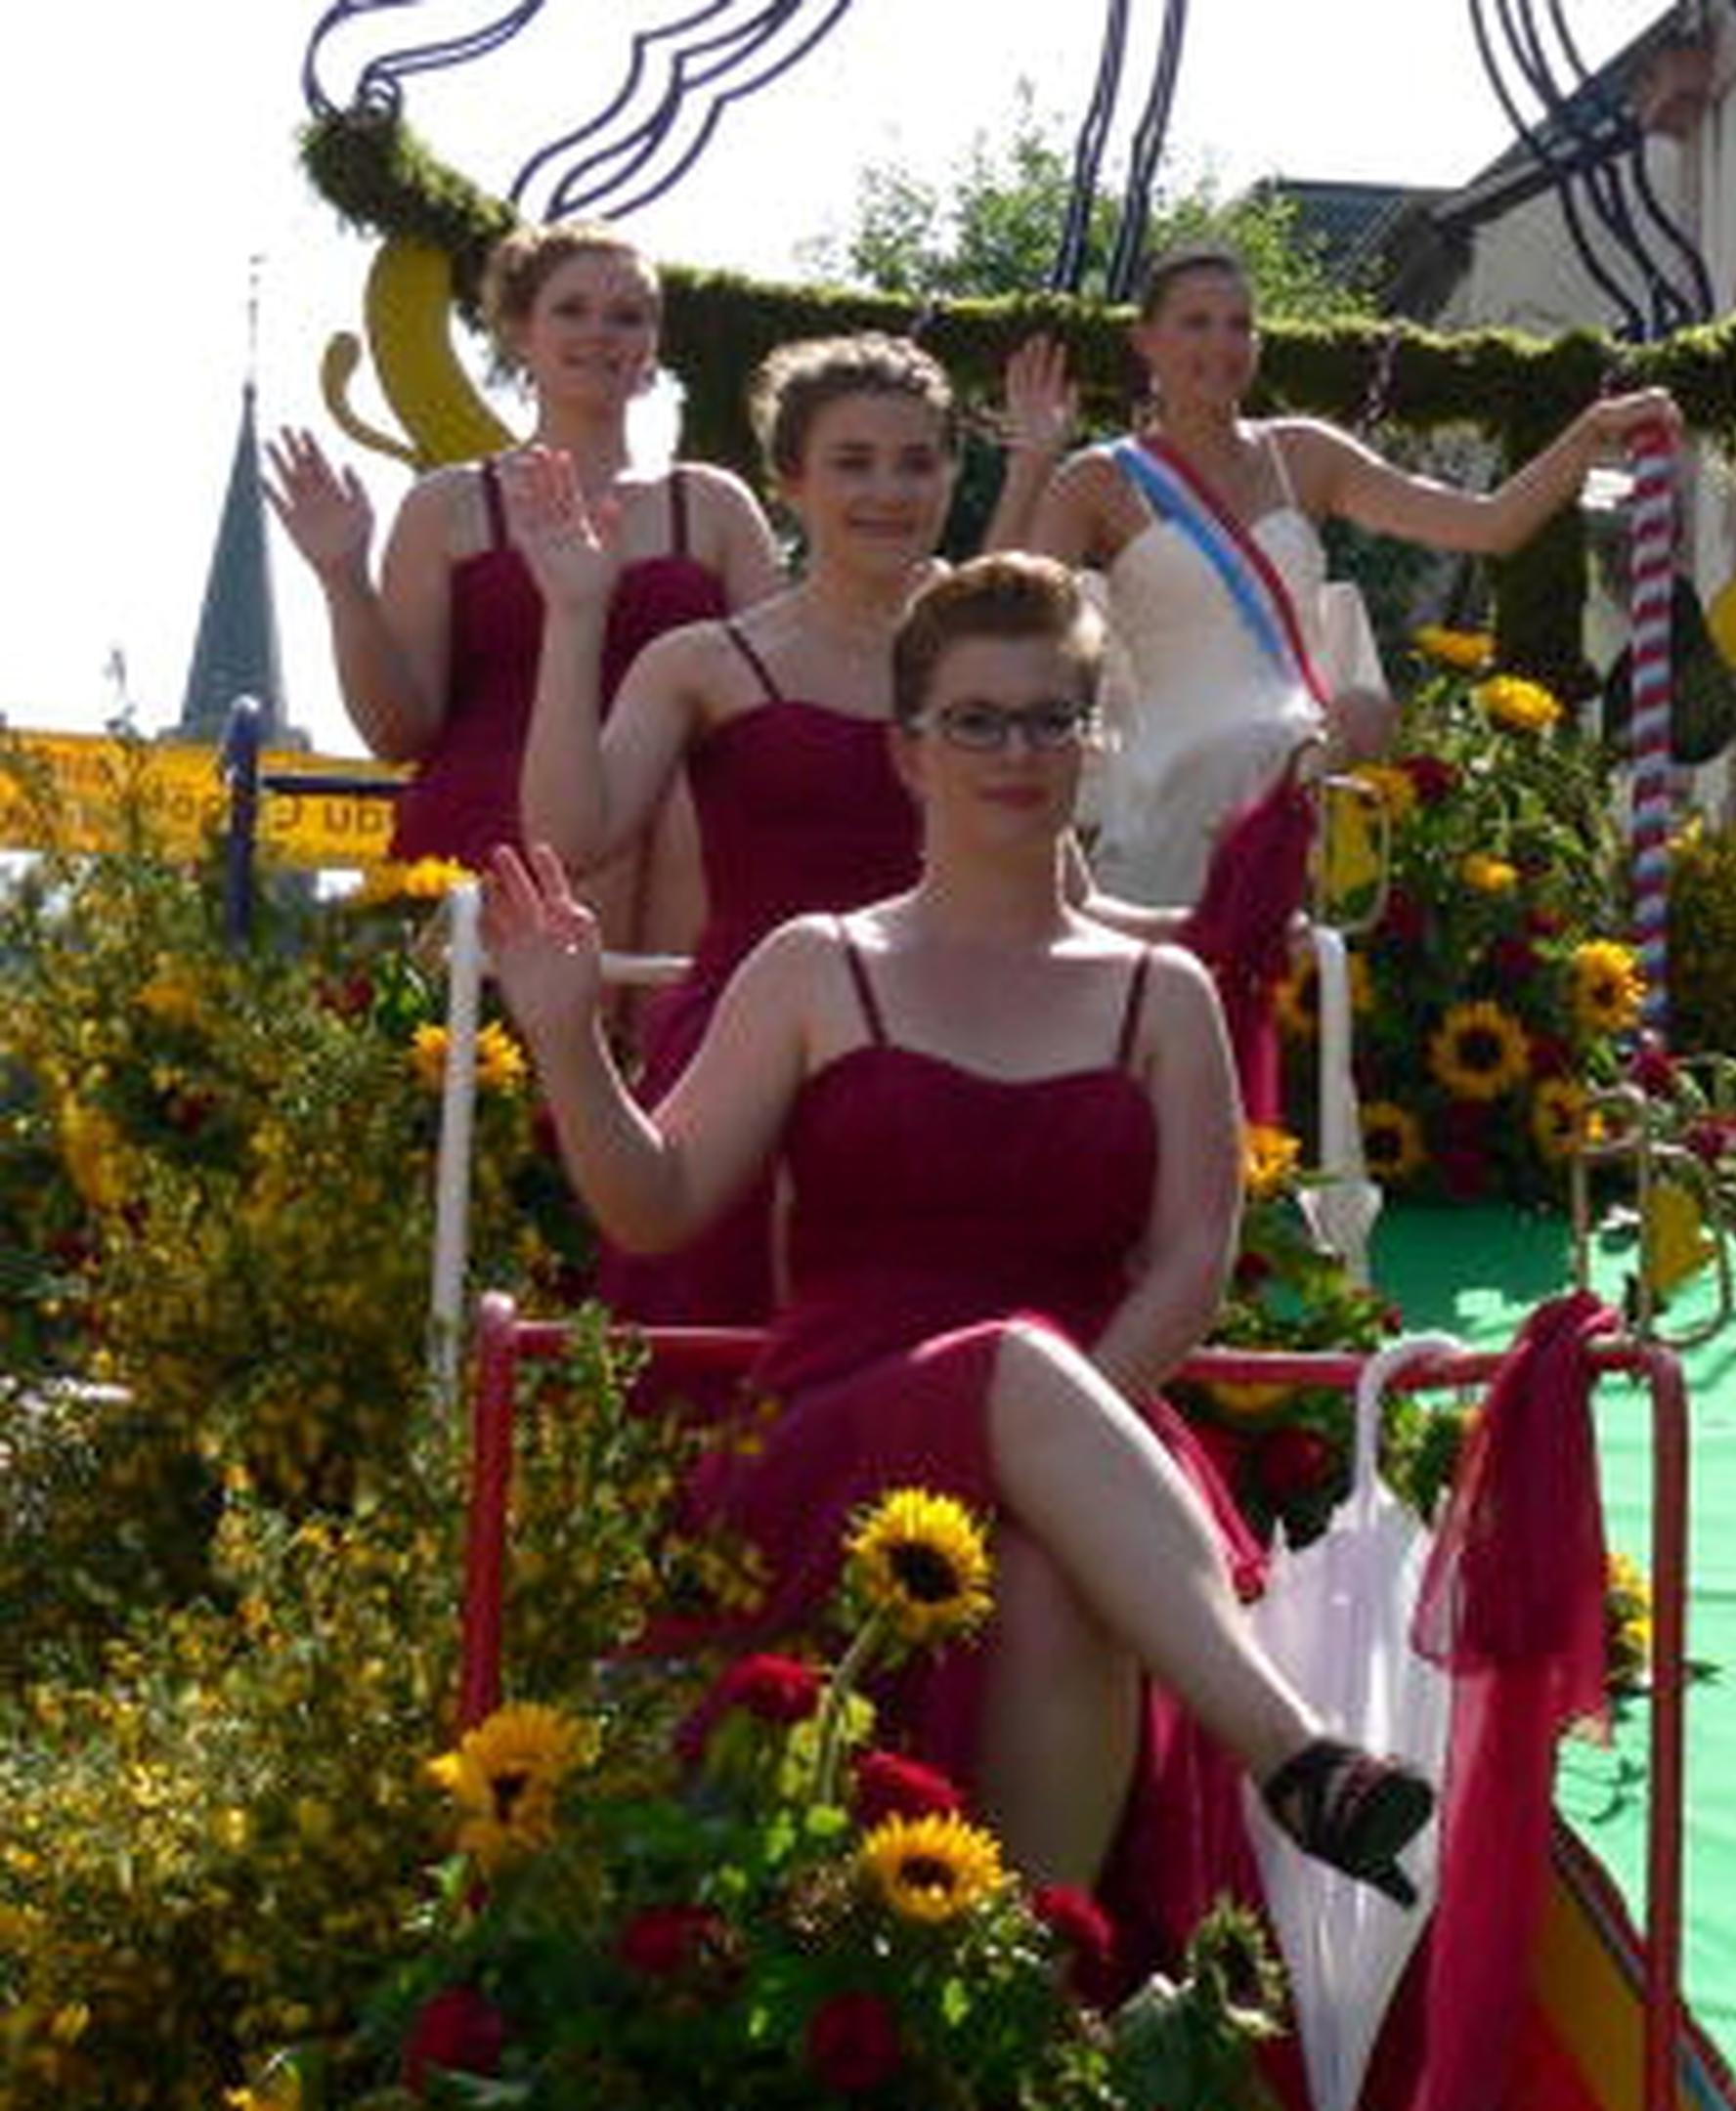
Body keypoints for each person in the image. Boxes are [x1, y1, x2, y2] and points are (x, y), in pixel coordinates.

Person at [477, 554, 1435, 1957]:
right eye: (978, 720)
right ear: (907, 752)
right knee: (1017, 1377)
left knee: (1050, 1568)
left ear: (1095, 743)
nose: (1018, 752)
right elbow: (656, 1205)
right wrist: (565, 1036)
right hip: (831, 1443)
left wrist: (1047, 1435)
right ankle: (1296, 1757)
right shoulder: (816, 965)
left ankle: (1017, 2005)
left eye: (1053, 718)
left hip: (1101, 1430)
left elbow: (1189, 1270)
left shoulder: (1166, 995)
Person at [986, 244, 1682, 904]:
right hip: (1175, 793)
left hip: (1308, 779)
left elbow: (1489, 525)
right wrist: (1032, 463)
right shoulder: (1099, 479)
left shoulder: (1307, 455)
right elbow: (995, 620)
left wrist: (1590, 432)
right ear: (1147, 342)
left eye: (1240, 325)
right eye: (1196, 322)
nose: (1222, 344)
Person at [508, 334, 946, 1329]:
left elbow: (1069, 891)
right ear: (790, 482)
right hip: (749, 1058)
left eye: (916, 462)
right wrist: (576, 615)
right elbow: (571, 834)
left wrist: (1223, 908)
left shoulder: (993, 651)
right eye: (853, 462)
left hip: (945, 1045)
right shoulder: (701, 662)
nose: (888, 490)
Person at [265, 221, 784, 935]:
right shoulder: (446, 506)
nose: (599, 333)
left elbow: (775, 712)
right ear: (518, 332)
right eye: (571, 310)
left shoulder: (716, 506)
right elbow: (400, 729)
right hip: (483, 855)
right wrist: (344, 579)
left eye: (627, 316)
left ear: (652, 349)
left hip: (685, 870)